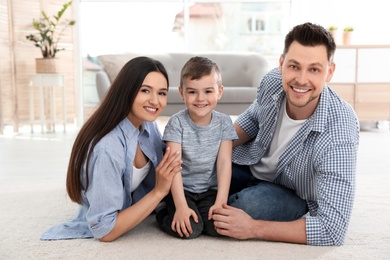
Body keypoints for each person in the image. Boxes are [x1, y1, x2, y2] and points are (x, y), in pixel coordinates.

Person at [212, 22, 360, 246]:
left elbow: (332, 230)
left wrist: (252, 228)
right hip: (251, 163)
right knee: (195, 166)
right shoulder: (273, 81)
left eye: (314, 69)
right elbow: (252, 119)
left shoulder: (340, 129)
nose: (301, 79)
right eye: (294, 66)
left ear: (329, 72)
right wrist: (209, 147)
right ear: (281, 64)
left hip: (292, 193)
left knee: (246, 209)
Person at [41, 56, 182, 242]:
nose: (155, 101)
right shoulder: (108, 147)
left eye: (162, 93)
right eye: (145, 90)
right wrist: (159, 192)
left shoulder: (148, 125)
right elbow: (105, 231)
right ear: (127, 91)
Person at [156, 56, 238, 239]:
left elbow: (224, 163)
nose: (200, 99)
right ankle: (162, 213)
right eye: (192, 92)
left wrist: (220, 202)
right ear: (182, 93)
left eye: (208, 91)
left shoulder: (224, 122)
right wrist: (181, 206)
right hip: (181, 190)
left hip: (209, 190)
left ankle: (202, 212)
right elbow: (174, 167)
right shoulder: (176, 123)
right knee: (190, 230)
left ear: (220, 92)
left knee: (220, 228)